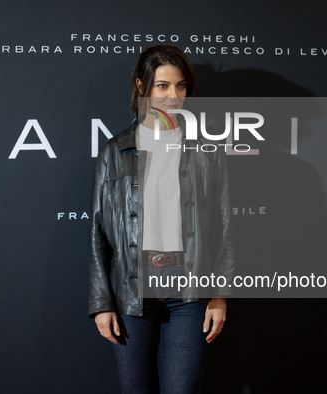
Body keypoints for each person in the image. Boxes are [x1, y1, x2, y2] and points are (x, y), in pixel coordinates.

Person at [89, 44, 233, 394]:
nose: (173, 96)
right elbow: (98, 231)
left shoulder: (206, 151)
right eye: (163, 86)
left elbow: (225, 227)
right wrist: (101, 303)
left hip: (189, 290)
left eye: (180, 86)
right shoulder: (115, 151)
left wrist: (221, 295)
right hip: (131, 289)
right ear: (142, 86)